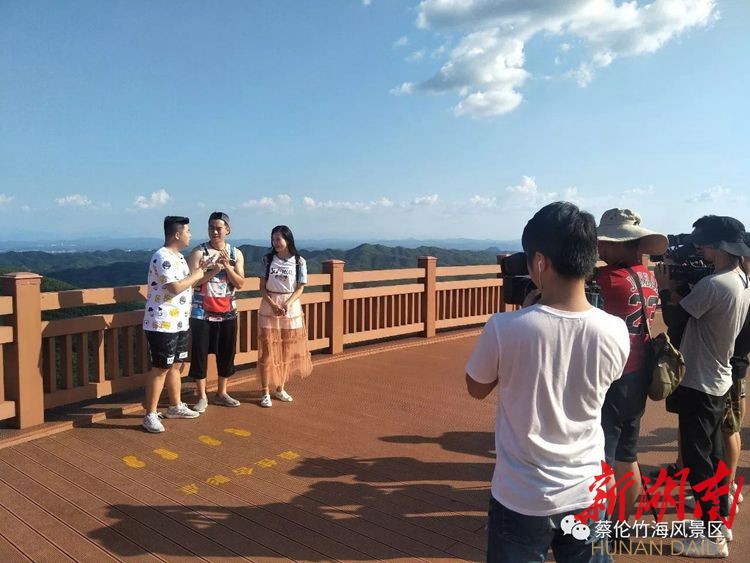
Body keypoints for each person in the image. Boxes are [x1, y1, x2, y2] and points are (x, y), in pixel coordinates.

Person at [466, 202, 630, 563]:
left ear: (539, 262)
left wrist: (525, 315)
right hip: (588, 489)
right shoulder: (615, 330)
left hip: (522, 495)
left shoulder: (504, 328)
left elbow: (476, 387)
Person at [655, 216, 750, 557]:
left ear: (718, 247)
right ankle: (720, 523)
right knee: (714, 456)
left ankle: (711, 536)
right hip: (719, 378)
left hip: (699, 381)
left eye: (704, 245)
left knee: (699, 463)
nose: (700, 250)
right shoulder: (740, 279)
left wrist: (665, 287)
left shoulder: (714, 284)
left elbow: (675, 318)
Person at [595, 208, 668, 523]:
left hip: (614, 375)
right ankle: (621, 523)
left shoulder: (607, 279)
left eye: (605, 242)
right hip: (639, 372)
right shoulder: (648, 276)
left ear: (621, 244)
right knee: (627, 455)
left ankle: (599, 525)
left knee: (603, 459)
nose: (600, 248)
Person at [142, 216, 219, 433]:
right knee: (160, 368)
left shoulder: (180, 258)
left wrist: (211, 271)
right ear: (177, 234)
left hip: (179, 322)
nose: (190, 235)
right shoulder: (162, 256)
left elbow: (190, 283)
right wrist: (197, 273)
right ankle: (150, 414)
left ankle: (175, 406)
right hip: (162, 322)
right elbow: (175, 287)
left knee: (175, 365)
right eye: (188, 231)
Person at [188, 212, 246, 412]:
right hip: (201, 312)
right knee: (200, 354)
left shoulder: (235, 253)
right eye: (211, 227)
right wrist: (213, 270)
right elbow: (192, 282)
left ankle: (222, 392)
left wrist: (227, 266)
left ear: (227, 230)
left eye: (219, 228)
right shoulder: (199, 252)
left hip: (228, 312)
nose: (214, 232)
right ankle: (202, 396)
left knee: (226, 353)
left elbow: (240, 283)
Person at [258, 225, 313, 407]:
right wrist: (273, 304)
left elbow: (300, 288)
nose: (276, 243)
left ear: (288, 240)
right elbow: (262, 287)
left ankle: (280, 388)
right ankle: (265, 392)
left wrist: (287, 304)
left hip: (291, 307)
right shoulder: (267, 260)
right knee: (267, 353)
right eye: (273, 239)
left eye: (279, 239)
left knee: (286, 352)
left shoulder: (299, 261)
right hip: (269, 307)